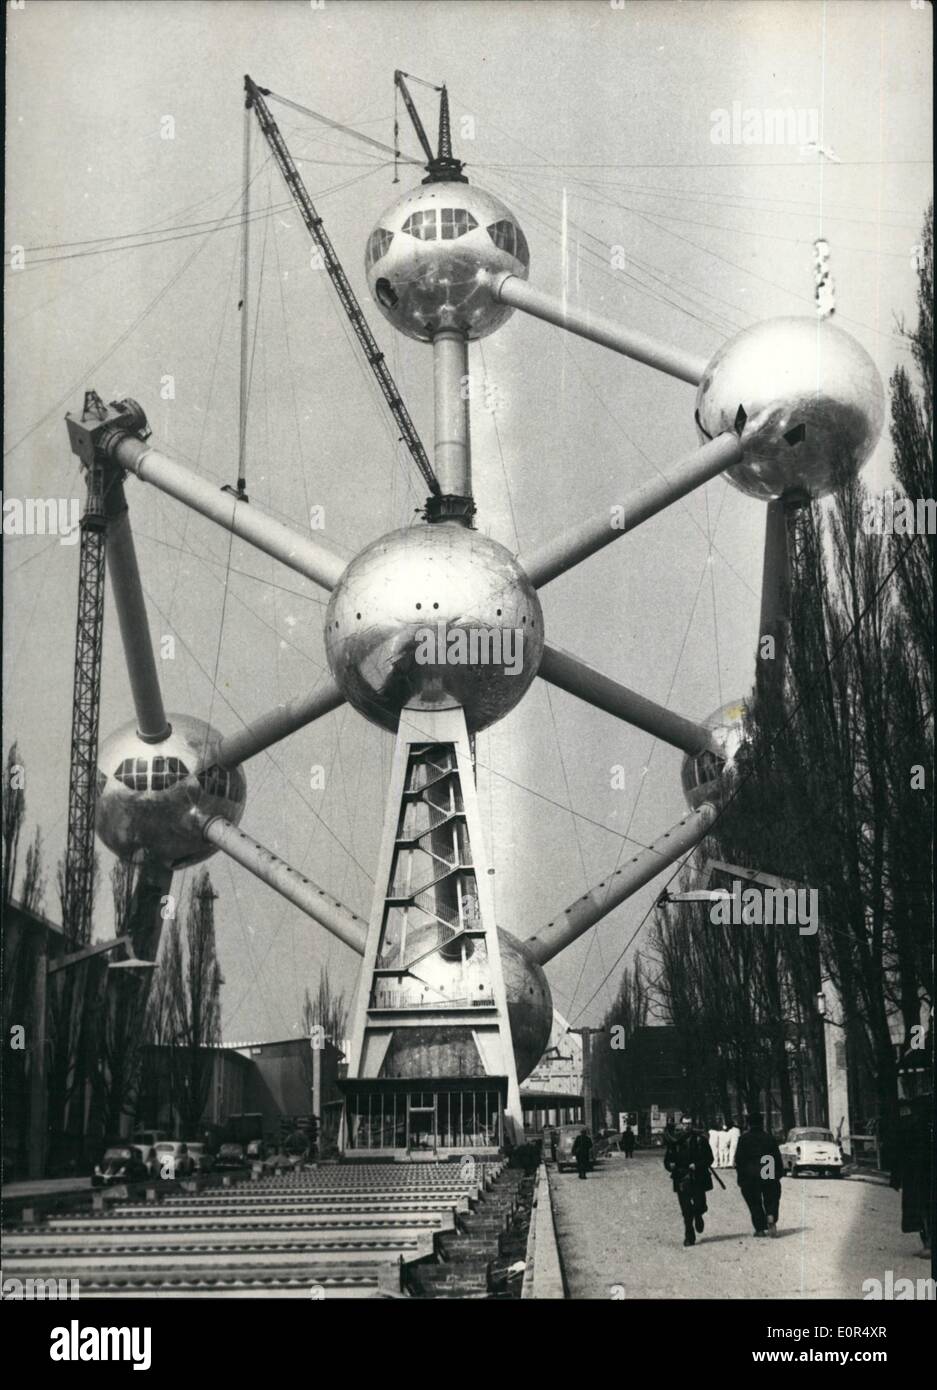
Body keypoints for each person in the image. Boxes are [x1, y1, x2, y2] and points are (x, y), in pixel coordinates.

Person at [664, 1115, 714, 1247]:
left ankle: (698, 1215)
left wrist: (697, 1165)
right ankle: (689, 1236)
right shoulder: (674, 1141)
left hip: (697, 1178)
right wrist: (671, 1165)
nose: (687, 1126)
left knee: (700, 1205)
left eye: (690, 1123)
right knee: (686, 1210)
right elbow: (667, 1160)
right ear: (681, 1125)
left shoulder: (700, 1140)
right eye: (685, 1124)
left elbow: (709, 1158)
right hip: (681, 1178)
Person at [735, 1111, 784, 1237]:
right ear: (761, 1123)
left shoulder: (743, 1139)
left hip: (750, 1175)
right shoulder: (769, 1138)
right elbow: (776, 1158)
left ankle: (760, 1228)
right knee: (771, 1198)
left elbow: (739, 1160)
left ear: (748, 1124)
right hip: (767, 1171)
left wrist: (741, 1177)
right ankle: (771, 1215)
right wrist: (778, 1173)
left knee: (754, 1202)